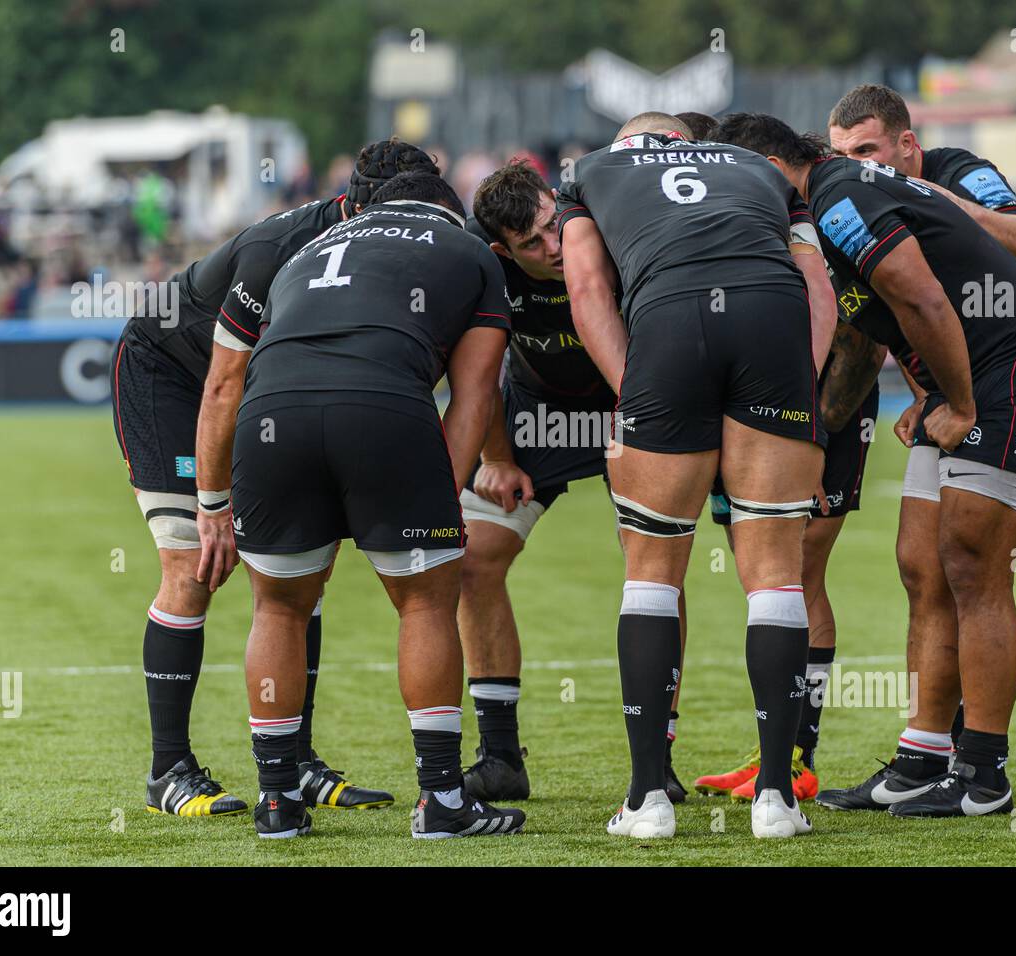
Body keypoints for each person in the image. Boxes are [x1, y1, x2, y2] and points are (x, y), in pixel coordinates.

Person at [766, 116, 1016, 818]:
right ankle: (922, 755)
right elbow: (860, 339)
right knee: (921, 565)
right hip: (960, 383)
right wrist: (819, 442)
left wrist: (961, 402)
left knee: (989, 565)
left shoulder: (851, 192)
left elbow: (930, 296)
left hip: (1013, 376)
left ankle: (986, 772)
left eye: (867, 147)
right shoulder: (826, 209)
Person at [109, 139, 432, 817]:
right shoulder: (276, 247)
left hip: (257, 391)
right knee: (193, 562)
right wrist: (212, 503)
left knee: (300, 567)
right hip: (173, 377)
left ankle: (297, 764)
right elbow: (221, 385)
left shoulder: (388, 243)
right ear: (356, 205)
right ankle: (168, 771)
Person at [558, 112, 834, 839]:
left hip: (671, 323)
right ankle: (777, 798)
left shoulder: (589, 172)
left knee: (652, 573)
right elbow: (818, 288)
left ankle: (648, 799)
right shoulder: (764, 172)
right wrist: (792, 388)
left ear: (628, 145)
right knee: (776, 571)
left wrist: (639, 393)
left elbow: (586, 295)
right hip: (771, 318)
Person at [232, 171, 524, 840]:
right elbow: (475, 394)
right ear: (450, 213)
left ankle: (276, 801)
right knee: (425, 600)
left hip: (271, 413)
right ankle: (442, 800)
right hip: (382, 405)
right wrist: (436, 498)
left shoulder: (311, 246)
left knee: (277, 607)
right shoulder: (468, 250)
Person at [459, 161, 694, 803]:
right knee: (474, 562)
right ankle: (501, 756)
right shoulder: (483, 269)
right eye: (531, 244)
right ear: (500, 249)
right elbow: (474, 376)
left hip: (630, 399)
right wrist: (496, 457)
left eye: (550, 228)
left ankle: (658, 758)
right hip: (536, 412)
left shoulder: (604, 232)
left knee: (655, 573)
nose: (553, 247)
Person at [691, 112, 886, 806]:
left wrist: (817, 434)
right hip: (778, 414)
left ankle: (797, 760)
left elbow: (863, 340)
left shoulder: (827, 208)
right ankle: (780, 748)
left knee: (799, 571)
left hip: (826, 417)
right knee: (772, 578)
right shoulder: (776, 211)